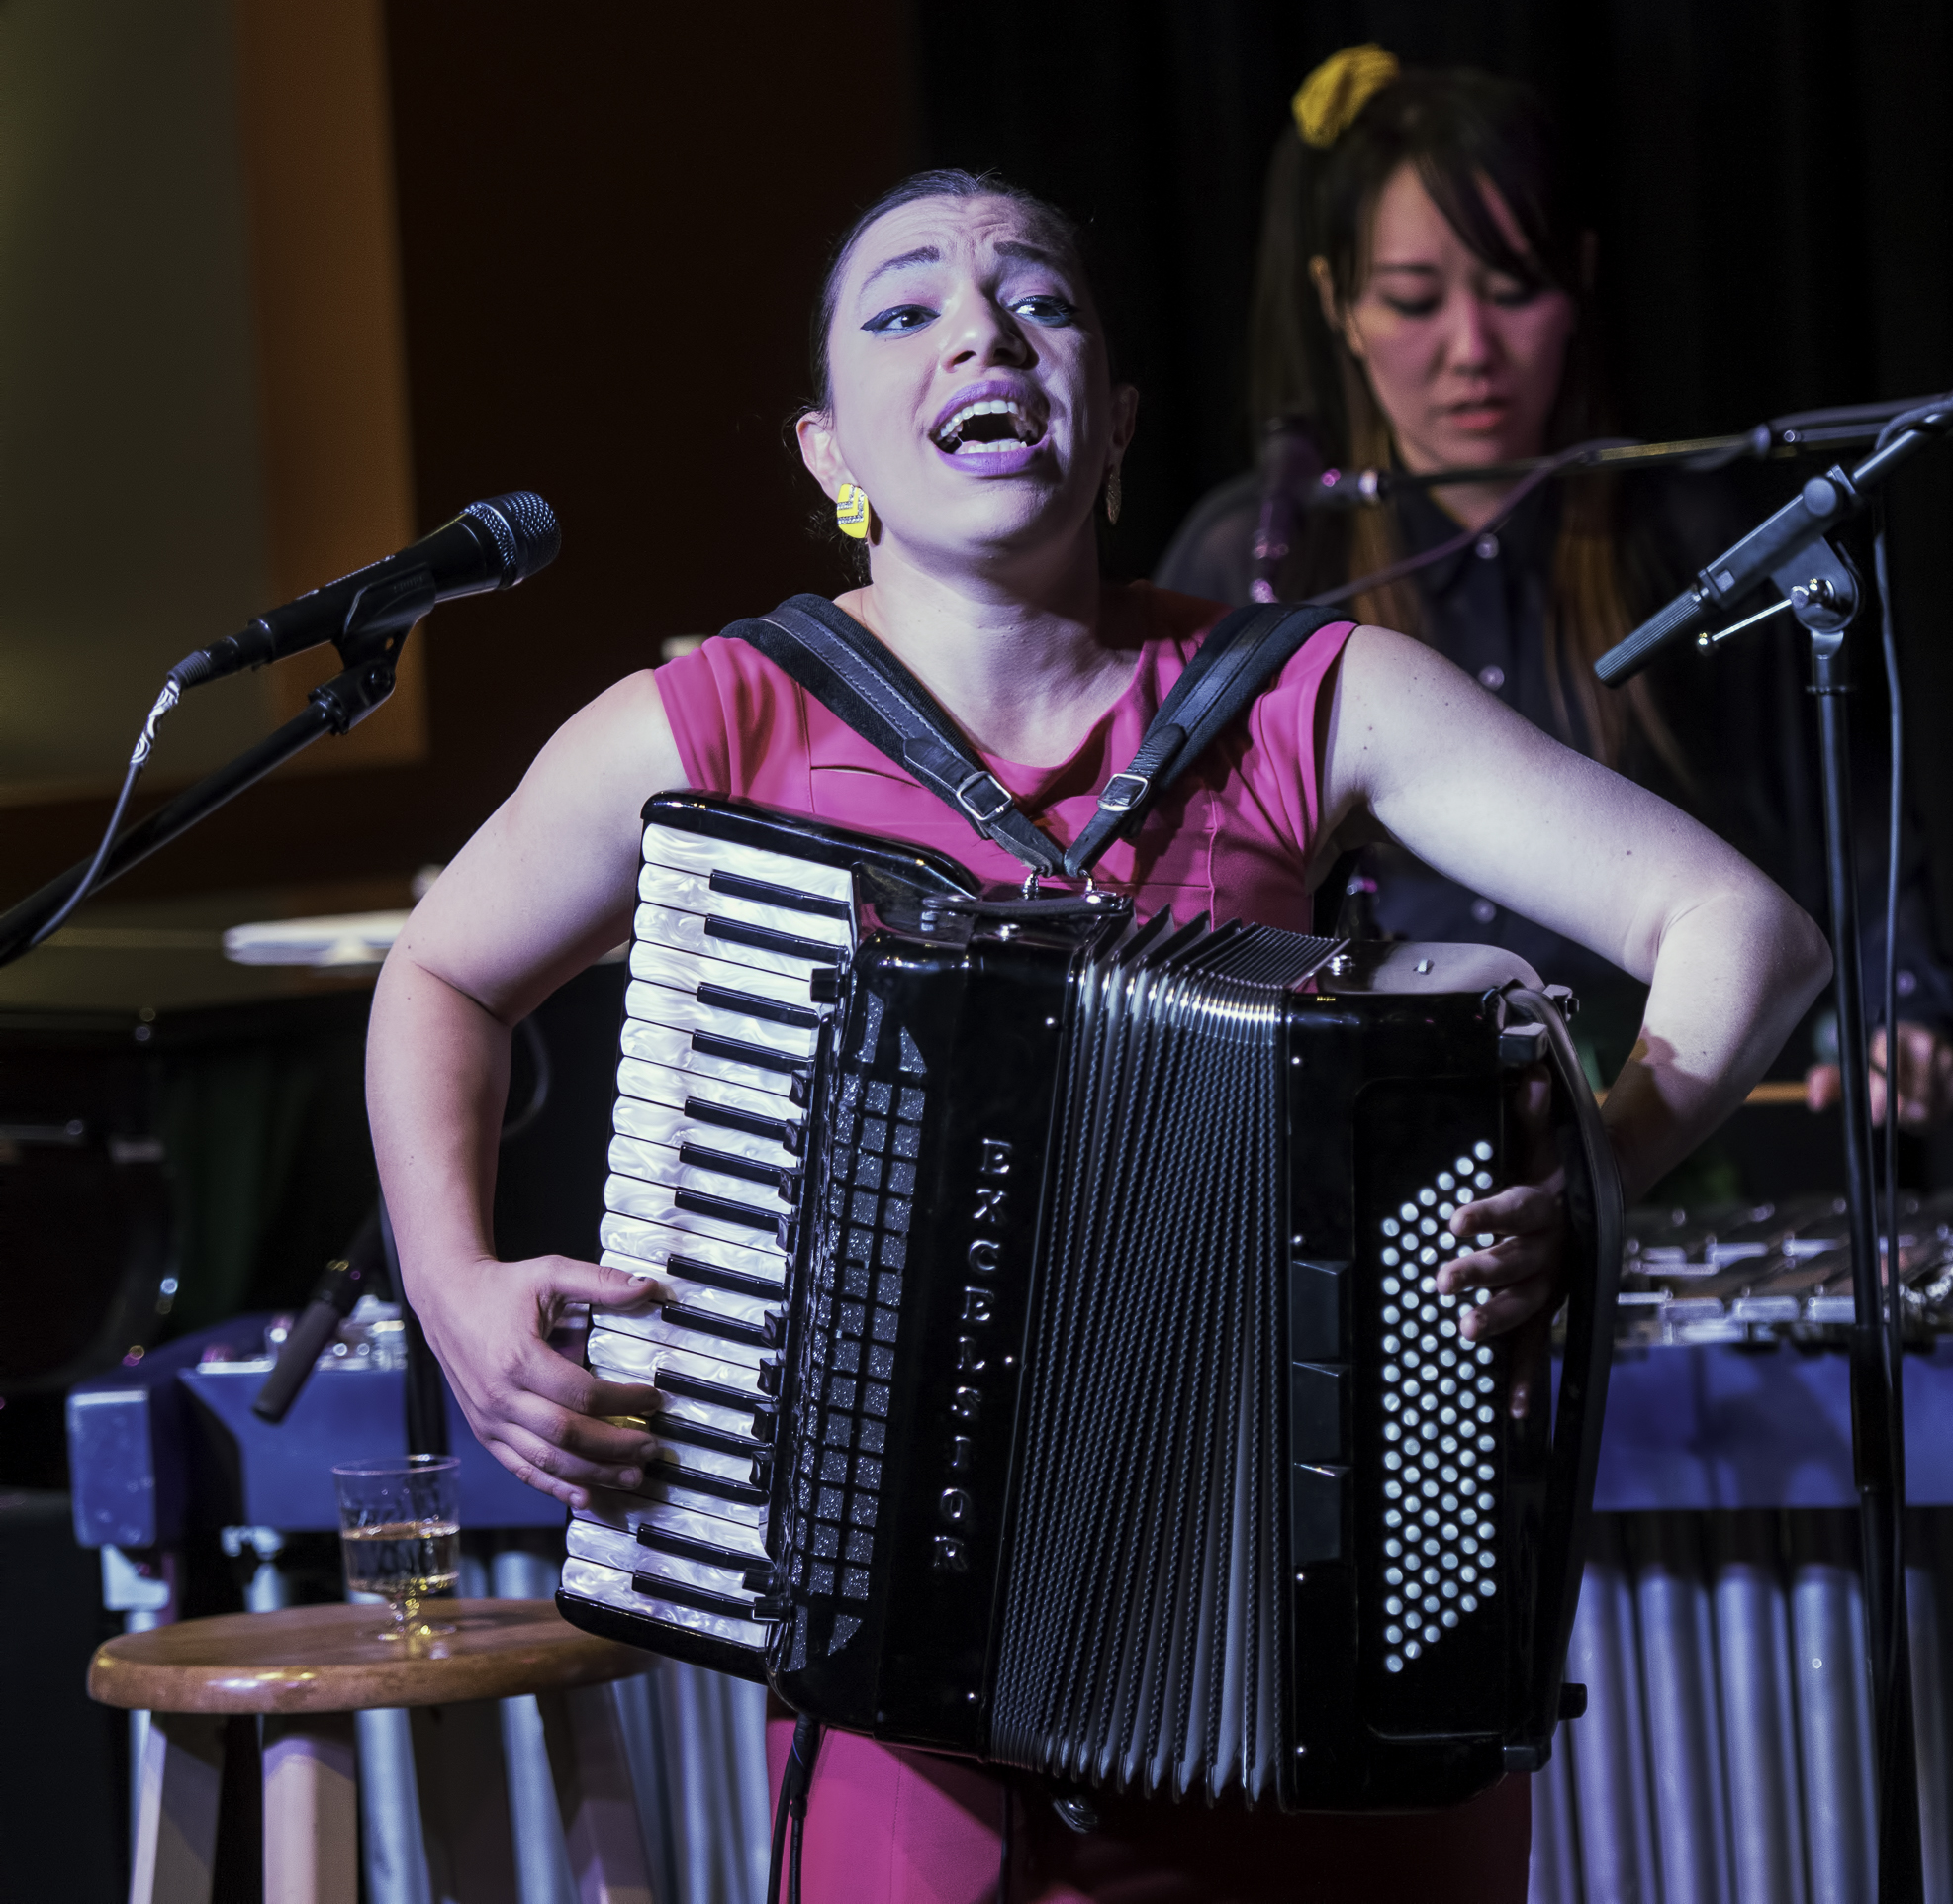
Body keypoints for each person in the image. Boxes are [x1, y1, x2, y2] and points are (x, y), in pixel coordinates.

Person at [366, 167, 1829, 1902]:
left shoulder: (1300, 690)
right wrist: (455, 1291)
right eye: (904, 309)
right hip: (911, 1753)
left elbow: (1744, 929)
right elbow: (436, 979)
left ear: (1113, 419)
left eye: (1036, 301)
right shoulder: (710, 725)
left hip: (1293, 1692)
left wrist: (1602, 1162)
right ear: (830, 454)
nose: (979, 328)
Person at [1159, 48, 1953, 1141]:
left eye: (1513, 290)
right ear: (1335, 303)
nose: (1470, 350)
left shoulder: (1696, 533)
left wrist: (1898, 1004)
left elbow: (1851, 822)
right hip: (1371, 1136)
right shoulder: (1250, 558)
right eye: (1410, 299)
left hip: (1671, 1135)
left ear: (1578, 276)